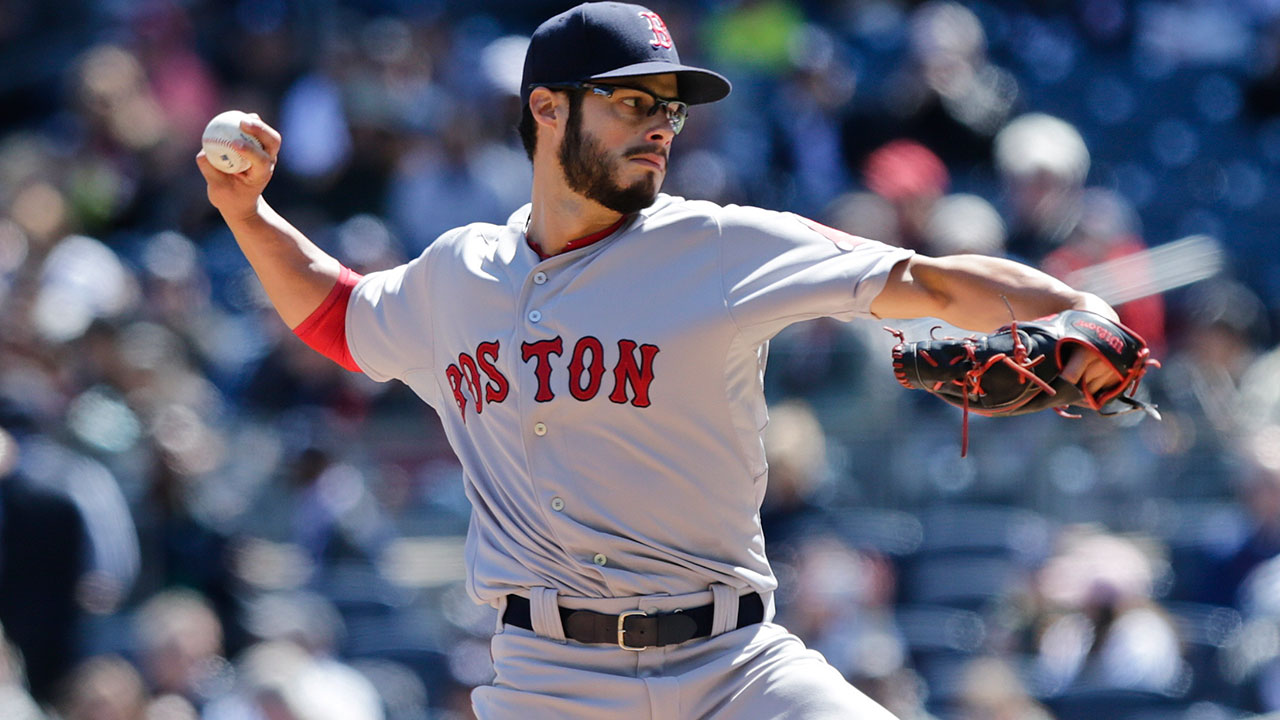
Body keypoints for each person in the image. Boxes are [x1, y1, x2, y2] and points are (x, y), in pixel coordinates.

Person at [196, 3, 1125, 717]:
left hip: (734, 668)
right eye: (634, 100)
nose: (661, 125)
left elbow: (925, 281)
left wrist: (1078, 308)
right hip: (549, 680)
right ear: (547, 108)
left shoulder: (719, 246)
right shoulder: (457, 274)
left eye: (670, 107)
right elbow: (336, 311)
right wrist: (246, 214)